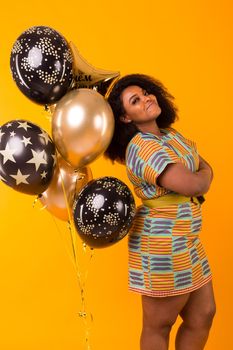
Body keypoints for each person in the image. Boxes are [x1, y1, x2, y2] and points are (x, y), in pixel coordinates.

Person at [104, 74, 216, 350]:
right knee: (158, 326)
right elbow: (193, 182)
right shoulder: (141, 147)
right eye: (135, 100)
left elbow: (203, 169)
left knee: (203, 314)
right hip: (162, 243)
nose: (146, 99)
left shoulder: (169, 134)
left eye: (145, 93)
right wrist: (204, 176)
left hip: (188, 239)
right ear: (125, 118)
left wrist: (204, 175)